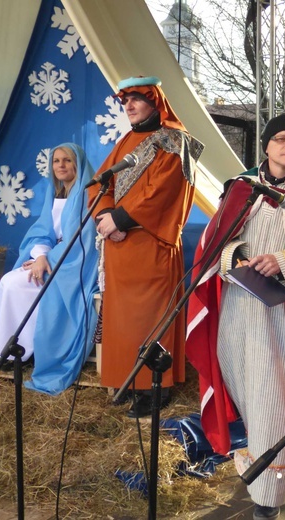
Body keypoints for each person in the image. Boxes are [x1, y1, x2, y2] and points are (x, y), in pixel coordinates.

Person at [185, 113, 285, 520]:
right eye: (282, 139)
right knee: (251, 398)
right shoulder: (242, 189)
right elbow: (213, 246)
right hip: (242, 316)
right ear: (267, 146)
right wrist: (237, 256)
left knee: (279, 399)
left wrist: (284, 261)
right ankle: (258, 482)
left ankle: (268, 502)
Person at [88, 76, 203, 418]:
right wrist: (106, 217)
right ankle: (127, 381)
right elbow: (100, 183)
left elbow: (165, 193)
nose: (129, 106)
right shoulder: (126, 142)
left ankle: (155, 389)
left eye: (136, 99)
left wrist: (120, 220)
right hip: (120, 248)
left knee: (150, 321)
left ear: (155, 101)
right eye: (126, 102)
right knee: (123, 324)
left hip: (152, 245)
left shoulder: (174, 141)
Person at [0, 144, 99, 394]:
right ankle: (7, 351)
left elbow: (82, 242)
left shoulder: (88, 195)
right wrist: (41, 255)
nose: (61, 165)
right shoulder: (57, 194)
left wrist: (48, 259)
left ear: (78, 164)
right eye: (56, 161)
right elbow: (43, 231)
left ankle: (22, 352)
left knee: (17, 284)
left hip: (74, 265)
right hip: (52, 258)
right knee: (10, 280)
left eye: (67, 160)